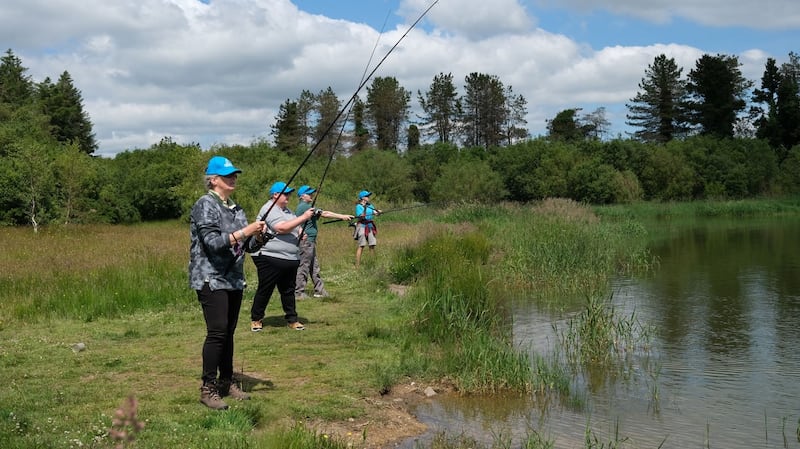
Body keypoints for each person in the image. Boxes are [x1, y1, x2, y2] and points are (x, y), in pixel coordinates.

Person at [189, 155, 267, 410]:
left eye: (234, 174)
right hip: (210, 276)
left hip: (234, 278)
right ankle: (208, 387)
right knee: (217, 331)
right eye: (227, 175)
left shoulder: (236, 208)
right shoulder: (205, 204)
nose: (233, 178)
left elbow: (246, 245)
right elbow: (213, 242)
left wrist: (260, 236)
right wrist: (246, 231)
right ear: (213, 180)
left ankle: (226, 381)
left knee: (229, 333)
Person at [249, 181, 317, 332]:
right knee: (265, 289)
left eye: (289, 194)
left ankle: (292, 319)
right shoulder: (269, 208)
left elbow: (294, 225)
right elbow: (281, 228)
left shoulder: (287, 211)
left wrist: (301, 232)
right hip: (269, 256)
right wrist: (305, 216)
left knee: (288, 290)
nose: (288, 197)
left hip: (290, 257)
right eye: (285, 194)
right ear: (275, 195)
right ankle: (256, 319)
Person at [294, 185, 354, 299]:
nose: (311, 195)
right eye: (309, 193)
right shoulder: (303, 207)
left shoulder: (307, 206)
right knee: (304, 266)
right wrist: (342, 216)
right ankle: (299, 292)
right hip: (306, 241)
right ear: (302, 196)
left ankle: (319, 290)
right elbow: (325, 213)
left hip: (310, 241)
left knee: (314, 267)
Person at [354, 190, 382, 268]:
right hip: (362, 225)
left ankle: (373, 264)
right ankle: (357, 266)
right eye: (367, 196)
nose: (368, 197)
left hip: (370, 226)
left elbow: (375, 213)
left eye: (368, 196)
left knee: (372, 245)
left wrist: (378, 212)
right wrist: (365, 208)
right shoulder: (358, 206)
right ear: (362, 198)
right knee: (361, 246)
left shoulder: (370, 205)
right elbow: (361, 216)